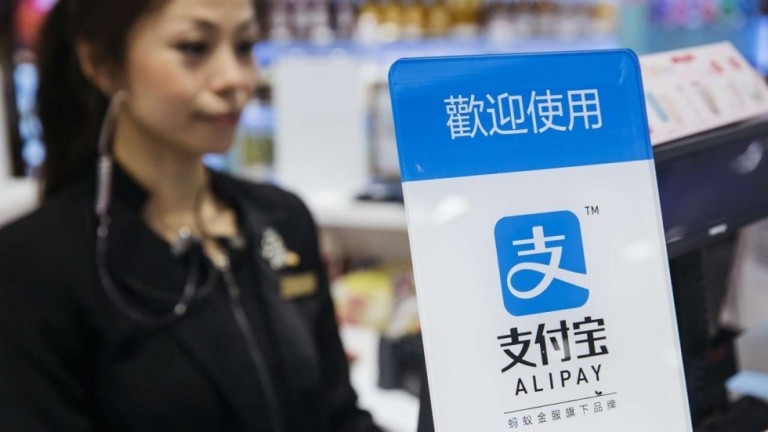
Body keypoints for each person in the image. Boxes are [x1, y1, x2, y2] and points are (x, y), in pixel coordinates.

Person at [0, 0, 381, 430]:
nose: (235, 79)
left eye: (245, 46)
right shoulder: (34, 265)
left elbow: (339, 415)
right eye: (194, 47)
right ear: (102, 64)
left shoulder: (282, 219)